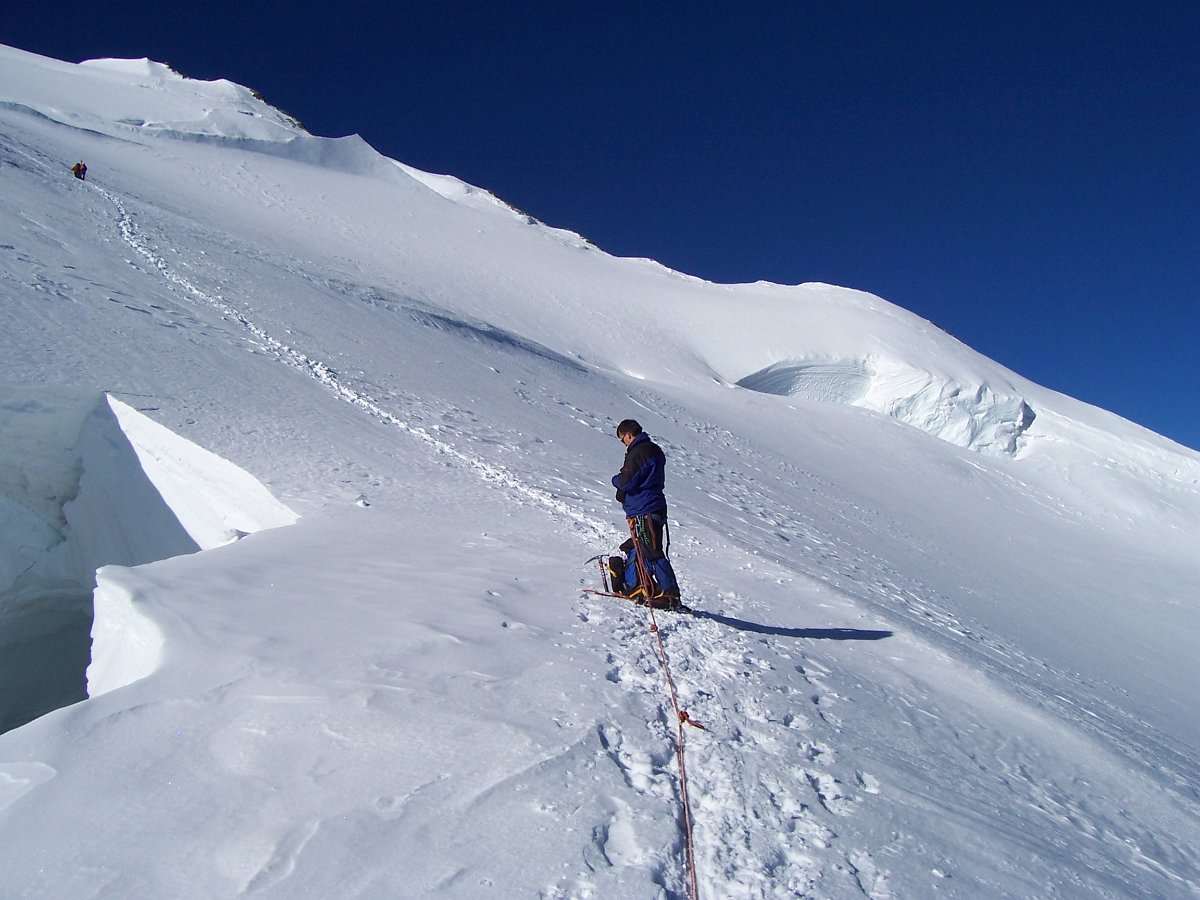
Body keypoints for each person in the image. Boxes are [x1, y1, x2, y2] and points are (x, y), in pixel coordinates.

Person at [608, 419, 681, 607]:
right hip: (649, 507)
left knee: (651, 551)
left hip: (644, 509)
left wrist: (616, 480)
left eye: (622, 438)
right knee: (641, 547)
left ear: (628, 434)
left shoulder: (640, 451)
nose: (622, 443)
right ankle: (643, 586)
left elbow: (627, 481)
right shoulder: (651, 450)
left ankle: (670, 594)